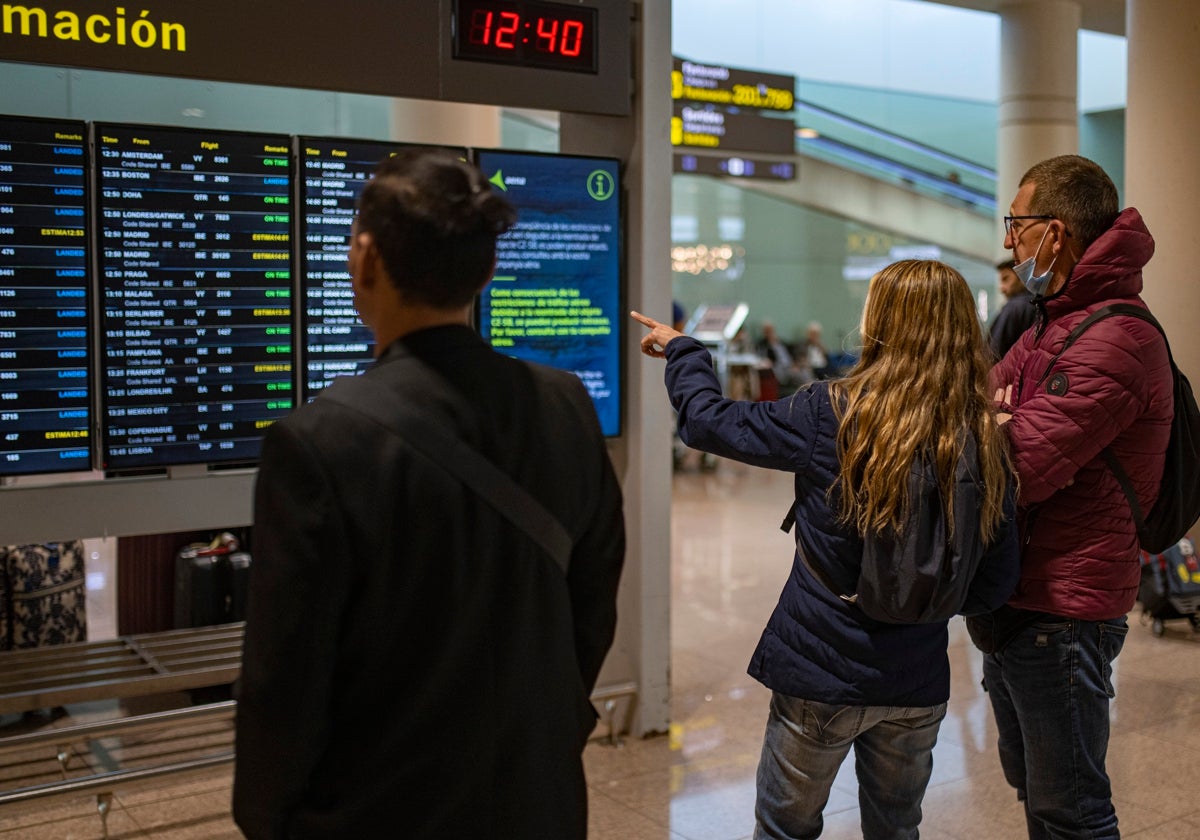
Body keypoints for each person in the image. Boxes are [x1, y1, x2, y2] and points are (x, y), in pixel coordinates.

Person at [233, 149, 626, 840]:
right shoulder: (565, 406)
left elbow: (285, 676)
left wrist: (267, 818)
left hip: (379, 809)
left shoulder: (318, 440)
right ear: (486, 270)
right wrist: (552, 729)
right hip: (538, 799)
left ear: (365, 260)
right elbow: (591, 605)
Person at [632, 258, 1020, 840]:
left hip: (820, 667)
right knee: (897, 828)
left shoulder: (830, 411)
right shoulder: (984, 434)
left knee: (786, 828)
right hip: (917, 676)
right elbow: (993, 583)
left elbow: (708, 423)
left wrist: (686, 353)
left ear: (881, 322)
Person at [975, 154, 1173, 839]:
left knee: (1072, 810)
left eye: (1016, 223)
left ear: (1054, 232)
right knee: (1037, 791)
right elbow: (976, 406)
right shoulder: (1052, 322)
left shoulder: (1113, 336)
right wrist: (992, 424)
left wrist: (997, 427)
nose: (1009, 241)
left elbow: (1017, 469)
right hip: (1021, 597)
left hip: (1063, 609)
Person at [987, 257, 1037, 360]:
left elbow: (994, 351)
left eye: (1006, 279)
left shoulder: (1014, 307)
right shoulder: (1038, 305)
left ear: (1021, 277)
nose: (1002, 288)